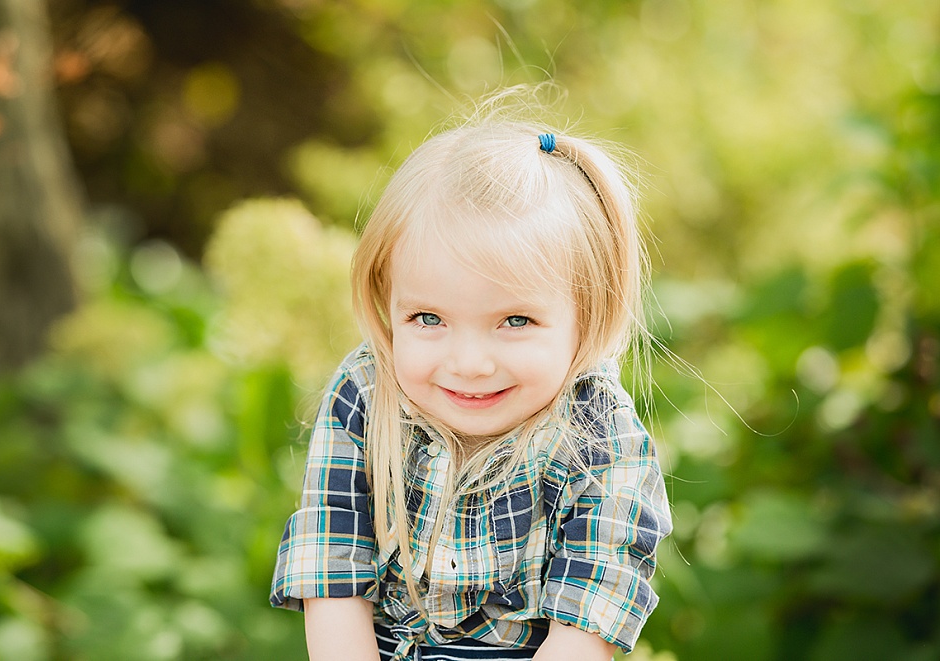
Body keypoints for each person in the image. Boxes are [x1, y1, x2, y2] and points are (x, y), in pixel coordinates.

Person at [269, 114, 672, 660]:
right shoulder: (367, 392)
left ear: (588, 314)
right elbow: (331, 576)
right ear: (387, 300)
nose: (470, 363)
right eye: (429, 319)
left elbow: (584, 633)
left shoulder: (598, 433)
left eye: (516, 321)